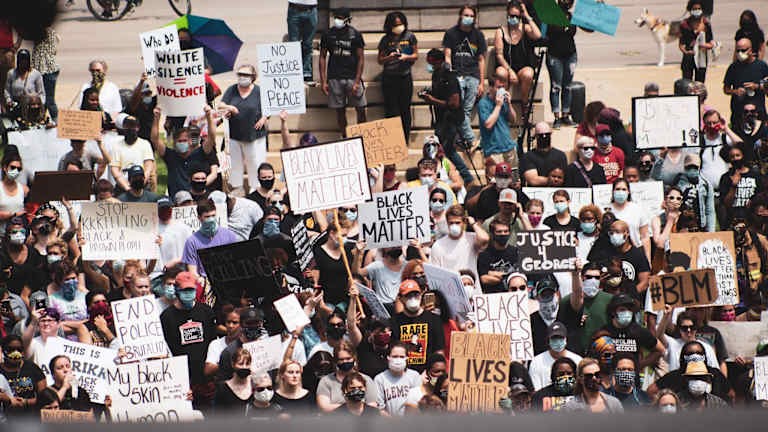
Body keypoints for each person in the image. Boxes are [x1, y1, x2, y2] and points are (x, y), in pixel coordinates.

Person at [160, 271, 217, 409]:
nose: (188, 293)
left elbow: (213, 342)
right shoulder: (166, 317)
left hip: (206, 380)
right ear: (177, 290)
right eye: (185, 290)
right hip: (183, 381)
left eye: (191, 289)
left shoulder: (206, 311)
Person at [421, 49, 473, 186]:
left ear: (439, 61)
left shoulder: (450, 78)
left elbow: (454, 103)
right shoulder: (436, 75)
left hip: (451, 120)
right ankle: (464, 177)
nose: (430, 65)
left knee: (447, 150)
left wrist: (432, 100)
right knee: (447, 150)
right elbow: (440, 94)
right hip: (440, 119)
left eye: (432, 62)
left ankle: (466, 177)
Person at [218, 64, 268, 195]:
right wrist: (229, 107)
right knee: (235, 163)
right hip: (235, 133)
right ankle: (237, 187)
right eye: (240, 74)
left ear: (252, 77)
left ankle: (254, 188)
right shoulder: (232, 90)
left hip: (254, 134)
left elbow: (269, 107)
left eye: (245, 75)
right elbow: (221, 104)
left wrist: (264, 118)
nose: (242, 77)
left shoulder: (259, 91)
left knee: (254, 161)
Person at [443, 4, 487, 147]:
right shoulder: (451, 33)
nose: (468, 18)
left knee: (467, 109)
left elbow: (481, 59)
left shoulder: (478, 35)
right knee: (458, 109)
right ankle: (470, 139)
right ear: (460, 16)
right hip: (457, 76)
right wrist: (449, 73)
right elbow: (448, 55)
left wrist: (481, 82)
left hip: (473, 75)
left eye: (471, 16)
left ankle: (463, 140)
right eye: (466, 15)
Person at [154, 106, 219, 198]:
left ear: (190, 142)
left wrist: (208, 116)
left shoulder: (200, 153)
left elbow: (211, 137)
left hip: (198, 200)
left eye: (185, 141)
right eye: (180, 141)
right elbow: (155, 139)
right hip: (177, 202)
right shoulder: (170, 156)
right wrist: (156, 118)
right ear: (175, 143)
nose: (182, 143)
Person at [320, 7, 366, 135]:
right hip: (335, 78)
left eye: (340, 18)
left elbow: (361, 59)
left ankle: (362, 136)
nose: (337, 20)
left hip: (352, 77)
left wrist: (357, 81)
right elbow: (322, 57)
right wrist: (323, 81)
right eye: (336, 18)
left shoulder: (355, 34)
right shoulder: (327, 34)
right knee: (340, 111)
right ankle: (345, 138)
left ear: (347, 20)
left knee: (361, 109)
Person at [494, 0, 541, 119]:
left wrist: (527, 16)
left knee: (529, 74)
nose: (513, 18)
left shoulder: (524, 28)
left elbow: (538, 35)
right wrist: (509, 71)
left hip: (522, 67)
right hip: (507, 67)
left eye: (516, 16)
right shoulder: (500, 31)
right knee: (500, 72)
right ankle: (502, 105)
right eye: (511, 15)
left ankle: (524, 104)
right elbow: (499, 55)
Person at [378, 11, 417, 141]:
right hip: (389, 78)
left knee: (405, 109)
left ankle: (405, 139)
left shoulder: (410, 36)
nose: (398, 27)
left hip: (404, 77)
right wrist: (389, 58)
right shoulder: (385, 39)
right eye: (395, 25)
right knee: (391, 110)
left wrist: (407, 57)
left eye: (400, 24)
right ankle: (393, 140)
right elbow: (380, 60)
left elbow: (416, 55)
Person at [390, 280, 445, 372]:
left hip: (427, 373)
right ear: (400, 298)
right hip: (403, 373)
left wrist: (433, 374)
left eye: (416, 295)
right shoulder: (395, 321)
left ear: (421, 295)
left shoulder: (434, 319)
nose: (413, 298)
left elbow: (439, 351)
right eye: (408, 296)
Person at [559, 261, 613, 354]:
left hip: (602, 352)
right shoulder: (566, 301)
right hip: (575, 352)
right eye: (588, 277)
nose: (593, 280)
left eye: (596, 278)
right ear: (581, 278)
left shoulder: (609, 300)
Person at [430, 205, 488, 287]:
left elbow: (485, 239)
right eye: (451, 223)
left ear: (464, 222)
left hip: (473, 289)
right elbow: (436, 274)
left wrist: (473, 223)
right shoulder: (438, 245)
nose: (454, 226)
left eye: (457, 223)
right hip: (451, 292)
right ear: (447, 223)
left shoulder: (472, 238)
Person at [181, 199, 238, 279]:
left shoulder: (230, 236)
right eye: (207, 217)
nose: (211, 219)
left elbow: (237, 264)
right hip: (206, 283)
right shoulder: (192, 241)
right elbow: (192, 271)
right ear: (199, 218)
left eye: (213, 215)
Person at [316, 343, 377, 413]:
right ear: (336, 361)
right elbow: (324, 407)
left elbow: (372, 406)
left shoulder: (366, 380)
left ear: (354, 358)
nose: (345, 362)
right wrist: (354, 405)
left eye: (348, 358)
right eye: (341, 359)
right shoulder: (326, 381)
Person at [657, 311, 722, 373]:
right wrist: (666, 316)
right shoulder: (673, 344)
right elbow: (659, 336)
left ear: (696, 328)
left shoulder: (707, 348)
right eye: (684, 328)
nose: (688, 330)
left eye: (692, 327)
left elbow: (715, 371)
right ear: (679, 329)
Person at [478, 68, 518, 169]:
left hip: (509, 148)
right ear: (491, 87)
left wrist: (509, 104)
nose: (501, 90)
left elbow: (513, 120)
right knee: (496, 183)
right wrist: (498, 106)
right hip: (493, 151)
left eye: (503, 87)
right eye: (498, 87)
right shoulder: (483, 103)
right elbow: (488, 124)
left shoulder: (503, 101)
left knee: (514, 181)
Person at [723, 38, 768, 126]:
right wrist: (735, 91)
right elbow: (726, 89)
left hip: (758, 111)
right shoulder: (733, 67)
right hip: (738, 112)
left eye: (743, 50)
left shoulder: (761, 66)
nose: (740, 53)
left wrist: (756, 86)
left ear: (751, 50)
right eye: (738, 50)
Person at [217, 307, 269, 381]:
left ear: (262, 323)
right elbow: (223, 381)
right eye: (249, 323)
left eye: (256, 323)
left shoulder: (269, 347)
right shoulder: (229, 352)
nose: (253, 326)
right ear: (241, 325)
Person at [719, 142, 763, 229]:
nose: (735, 158)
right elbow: (726, 204)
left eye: (737, 155)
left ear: (743, 156)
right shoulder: (726, 177)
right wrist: (733, 186)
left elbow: (761, 196)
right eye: (732, 156)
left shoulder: (755, 175)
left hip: (752, 221)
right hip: (732, 221)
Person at [607, 179, 651, 264]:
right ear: (613, 191)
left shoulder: (637, 209)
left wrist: (648, 260)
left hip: (635, 253)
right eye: (618, 189)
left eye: (623, 189)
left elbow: (645, 236)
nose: (620, 192)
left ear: (628, 192)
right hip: (612, 255)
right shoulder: (606, 211)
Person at [529, 322, 583, 391]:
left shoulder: (578, 360)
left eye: (560, 338)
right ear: (548, 340)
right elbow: (536, 390)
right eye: (554, 338)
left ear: (566, 339)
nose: (557, 342)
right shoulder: (536, 362)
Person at [1, 335, 46, 416]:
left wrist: (26, 402)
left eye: (19, 349)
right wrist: (9, 400)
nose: (16, 352)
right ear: (3, 350)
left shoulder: (32, 368)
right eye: (11, 349)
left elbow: (44, 397)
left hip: (30, 417)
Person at [109, 115, 155, 194]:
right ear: (123, 127)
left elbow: (148, 167)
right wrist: (127, 188)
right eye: (127, 126)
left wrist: (140, 185)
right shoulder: (116, 145)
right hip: (123, 186)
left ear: (138, 128)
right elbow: (115, 169)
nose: (130, 129)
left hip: (141, 185)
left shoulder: (145, 144)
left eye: (133, 126)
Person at [374, 342, 420, 416]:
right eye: (395, 356)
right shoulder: (380, 379)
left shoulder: (414, 376)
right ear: (388, 357)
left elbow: (418, 404)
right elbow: (380, 408)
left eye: (402, 357)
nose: (398, 359)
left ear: (406, 358)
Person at [477, 217, 520, 293]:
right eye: (499, 231)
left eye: (505, 231)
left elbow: (518, 277)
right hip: (493, 295)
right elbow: (484, 279)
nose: (503, 234)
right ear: (492, 233)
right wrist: (508, 277)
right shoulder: (484, 255)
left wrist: (492, 273)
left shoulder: (516, 252)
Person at [675, 154, 716, 232]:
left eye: (694, 167)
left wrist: (711, 231)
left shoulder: (706, 185)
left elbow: (710, 211)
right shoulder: (678, 182)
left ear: (699, 167)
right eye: (689, 167)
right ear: (684, 167)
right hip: (682, 226)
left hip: (700, 226)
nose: (692, 170)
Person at [522, 122, 568, 186]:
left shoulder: (561, 155)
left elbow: (564, 178)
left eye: (547, 134)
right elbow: (533, 180)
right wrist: (553, 180)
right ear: (536, 136)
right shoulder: (528, 156)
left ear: (551, 134)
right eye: (541, 135)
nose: (544, 137)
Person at [680, 1, 714, 82]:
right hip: (688, 59)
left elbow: (711, 42)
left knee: (700, 84)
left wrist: (705, 46)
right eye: (694, 9)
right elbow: (681, 44)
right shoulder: (684, 24)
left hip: (701, 58)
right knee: (687, 83)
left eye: (699, 9)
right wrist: (686, 52)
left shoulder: (706, 24)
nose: (697, 10)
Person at [30, 26, 59, 123]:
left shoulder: (44, 30)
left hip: (46, 70)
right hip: (47, 69)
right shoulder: (50, 31)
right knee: (44, 100)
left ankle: (58, 123)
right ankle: (42, 120)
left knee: (49, 100)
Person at [213, 347, 253, 414]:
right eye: (241, 364)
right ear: (233, 364)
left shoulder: (255, 384)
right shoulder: (222, 389)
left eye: (247, 364)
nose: (244, 367)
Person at [286, 0, 318, 82]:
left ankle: (306, 72)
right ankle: (294, 70)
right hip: (294, 8)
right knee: (293, 44)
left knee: (308, 44)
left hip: (311, 9)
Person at [0, 153, 28, 233]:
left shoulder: (24, 189)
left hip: (19, 235)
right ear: (5, 168)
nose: (15, 171)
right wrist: (13, 215)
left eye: (18, 169)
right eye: (12, 167)